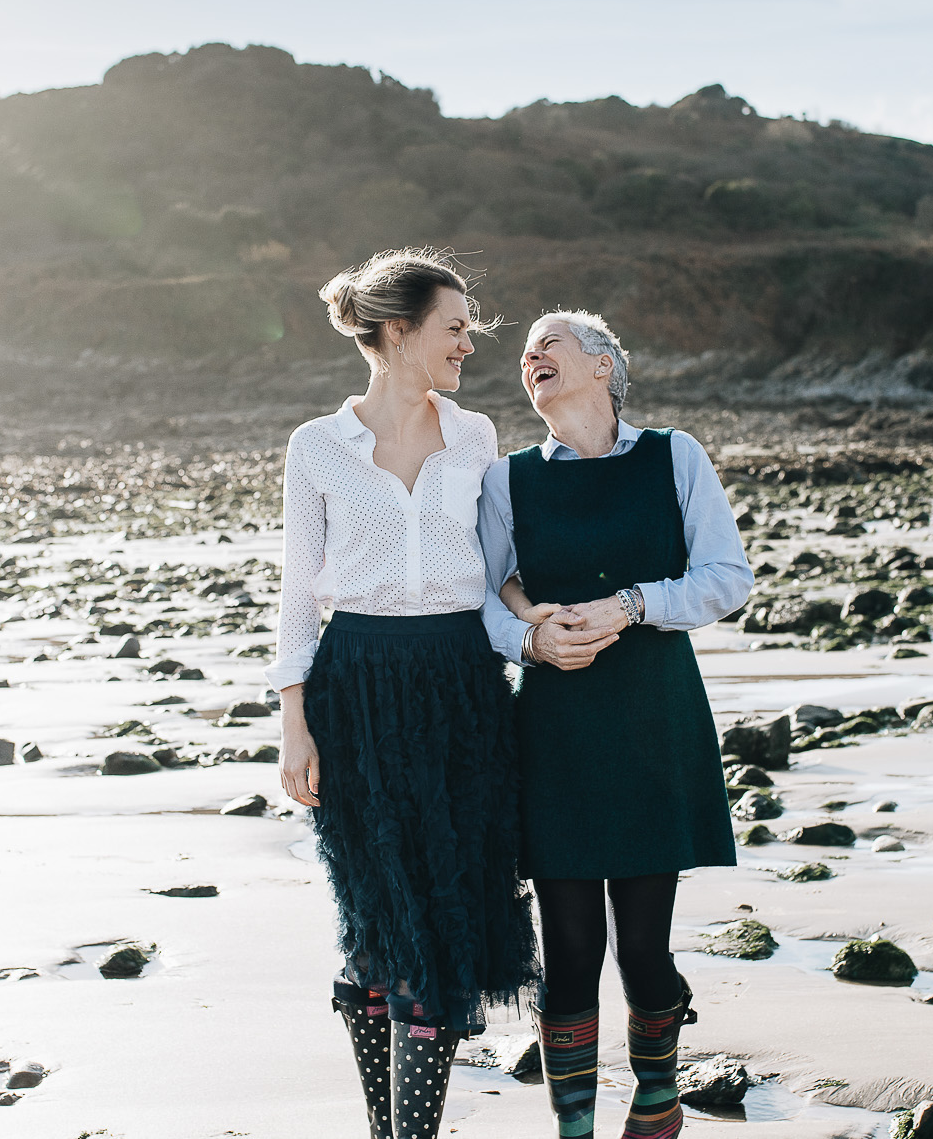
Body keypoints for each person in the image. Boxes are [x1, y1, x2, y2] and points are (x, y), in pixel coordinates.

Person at [268, 249, 536, 1139]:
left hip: (462, 689)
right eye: (454, 326)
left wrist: (546, 626)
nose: (468, 340)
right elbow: (299, 594)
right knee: (381, 920)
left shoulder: (477, 436)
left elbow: (498, 572)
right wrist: (293, 723)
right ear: (398, 330)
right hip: (358, 691)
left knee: (445, 914)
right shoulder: (317, 446)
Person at [477, 310, 750, 1139]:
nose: (530, 359)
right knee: (568, 949)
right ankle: (573, 1131)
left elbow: (726, 578)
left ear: (603, 367)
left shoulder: (676, 454)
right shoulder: (506, 479)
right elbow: (479, 598)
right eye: (525, 356)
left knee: (642, 949)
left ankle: (658, 1103)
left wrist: (634, 605)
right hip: (556, 724)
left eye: (547, 345)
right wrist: (530, 638)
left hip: (653, 718)